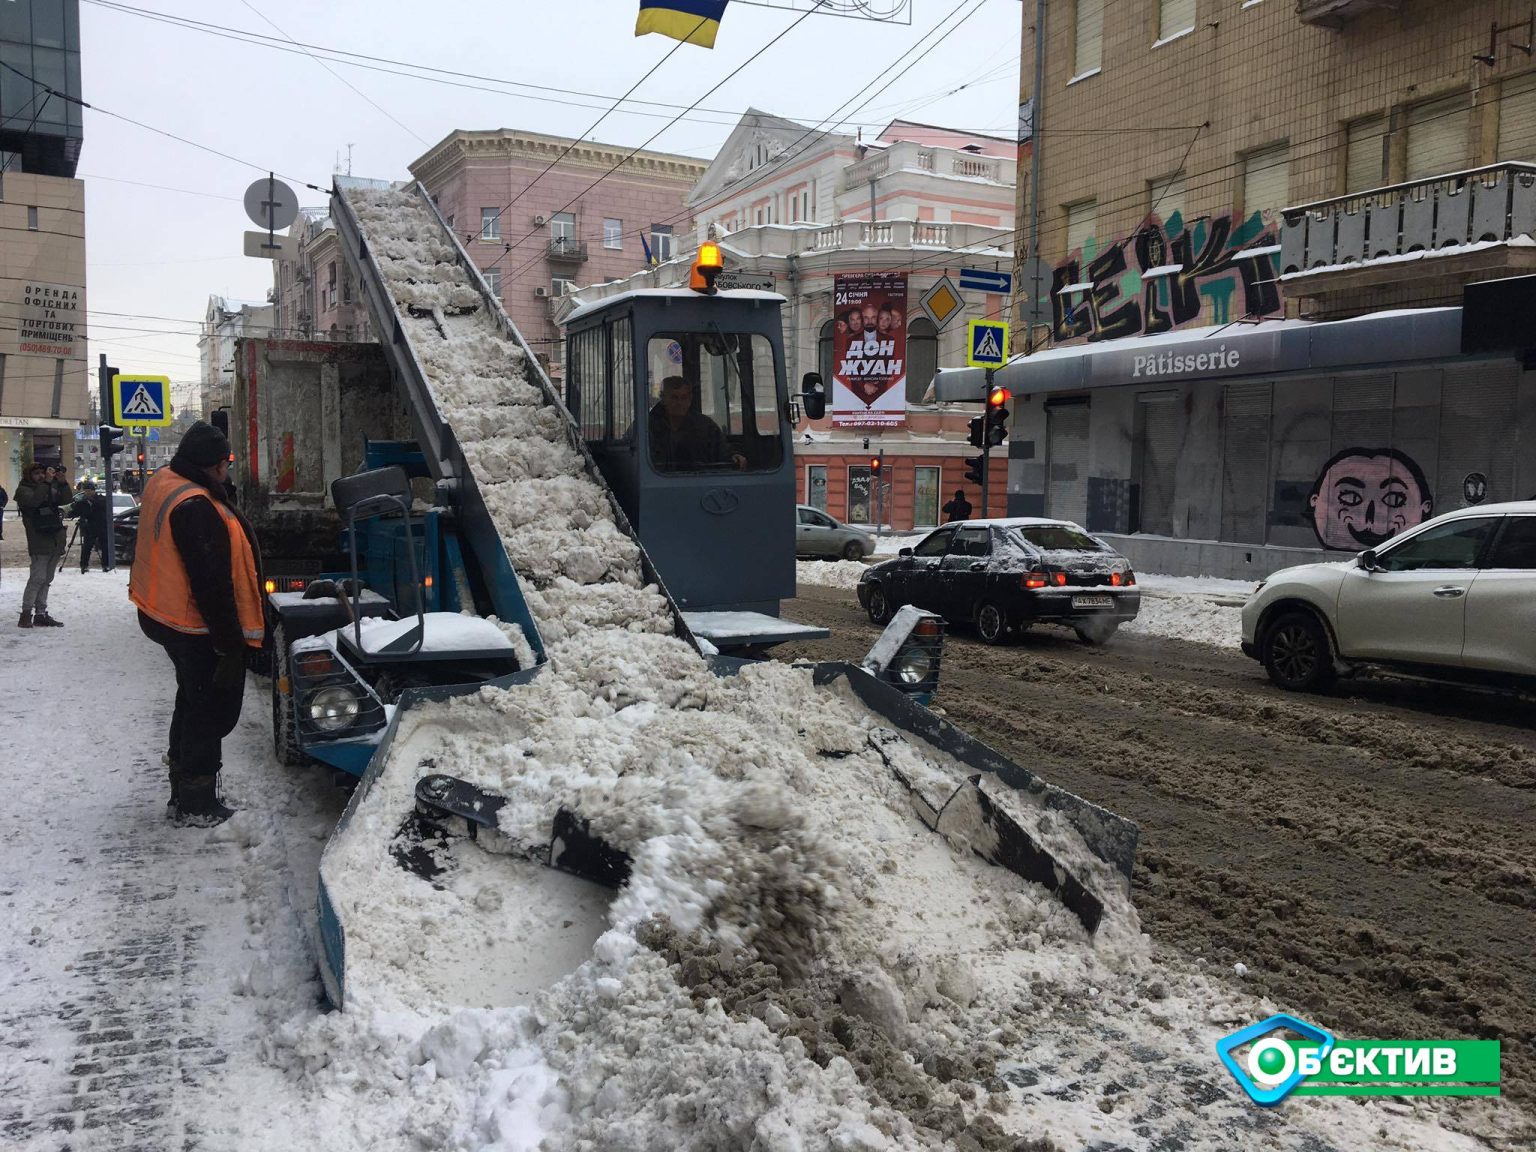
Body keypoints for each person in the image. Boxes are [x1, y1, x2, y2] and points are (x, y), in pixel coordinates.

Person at [130, 421, 265, 827]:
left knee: (191, 699)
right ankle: (197, 802)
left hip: (163, 614)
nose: (228, 470)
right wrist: (229, 645)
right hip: (192, 625)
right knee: (209, 710)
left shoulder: (167, 480)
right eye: (225, 463)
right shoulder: (195, 507)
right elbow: (212, 585)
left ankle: (182, 786)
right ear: (212, 465)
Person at [15, 461, 73, 627]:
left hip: (54, 539)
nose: (41, 476)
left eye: (43, 473)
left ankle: (41, 613)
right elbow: (34, 502)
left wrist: (62, 483)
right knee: (37, 578)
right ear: (29, 476)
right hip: (39, 540)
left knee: (47, 578)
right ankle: (26, 614)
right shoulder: (23, 490)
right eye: (37, 474)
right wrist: (47, 482)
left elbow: (65, 500)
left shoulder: (48, 487)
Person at [647, 375, 746, 472]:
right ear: (663, 399)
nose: (679, 403)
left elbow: (722, 450)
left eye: (684, 397)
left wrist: (734, 456)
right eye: (674, 397)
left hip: (699, 481)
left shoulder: (705, 426)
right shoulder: (646, 427)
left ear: (690, 400)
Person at [71, 480, 110, 572]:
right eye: (86, 490)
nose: (87, 492)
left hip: (101, 526)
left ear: (93, 490)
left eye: (89, 490)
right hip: (89, 527)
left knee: (104, 546)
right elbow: (76, 511)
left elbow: (103, 507)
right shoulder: (83, 501)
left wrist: (92, 501)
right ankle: (84, 565)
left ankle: (106, 564)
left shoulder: (100, 499)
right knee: (87, 547)